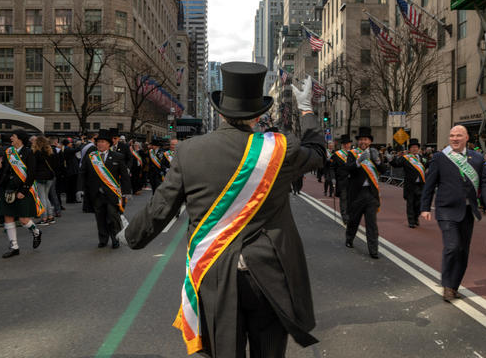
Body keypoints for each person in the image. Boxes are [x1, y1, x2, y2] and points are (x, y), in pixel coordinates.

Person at [124, 63, 325, 358]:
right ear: (258, 115)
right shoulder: (280, 149)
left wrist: (132, 235)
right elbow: (319, 152)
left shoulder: (188, 151)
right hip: (269, 271)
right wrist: (307, 110)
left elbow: (160, 208)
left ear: (219, 112)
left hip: (215, 271)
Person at [420, 125, 486, 302]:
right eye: (452, 135)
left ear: (466, 138)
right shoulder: (440, 158)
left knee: (463, 251)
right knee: (452, 246)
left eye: (458, 135)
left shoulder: (477, 158)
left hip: (468, 211)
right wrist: (425, 207)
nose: (454, 138)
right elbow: (429, 184)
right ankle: (447, 285)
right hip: (446, 209)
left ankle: (454, 286)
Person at [78, 129, 131, 249]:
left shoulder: (118, 157)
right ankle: (103, 239)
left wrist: (127, 192)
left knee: (112, 216)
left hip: (112, 193)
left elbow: (124, 176)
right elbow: (82, 173)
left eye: (103, 141)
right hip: (96, 193)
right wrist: (79, 189)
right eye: (99, 142)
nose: (100, 144)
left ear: (108, 144)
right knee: (100, 217)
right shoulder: (91, 157)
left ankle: (115, 238)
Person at [0, 129, 44, 258]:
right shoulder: (9, 152)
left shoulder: (29, 153)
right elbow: (4, 169)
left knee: (23, 219)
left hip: (22, 189)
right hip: (9, 188)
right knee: (8, 216)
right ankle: (14, 246)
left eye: (13, 136)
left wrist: (24, 190)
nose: (11, 138)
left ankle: (36, 231)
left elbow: (32, 173)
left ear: (20, 139)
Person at [344, 127, 387, 259]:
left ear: (370, 141)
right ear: (358, 141)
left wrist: (378, 161)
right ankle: (349, 238)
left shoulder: (375, 153)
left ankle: (373, 250)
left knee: (372, 223)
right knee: (354, 220)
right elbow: (348, 169)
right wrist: (358, 161)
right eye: (361, 139)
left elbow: (383, 170)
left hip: (371, 194)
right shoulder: (352, 153)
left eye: (366, 139)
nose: (363, 141)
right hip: (357, 193)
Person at [390, 138, 428, 228]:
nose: (414, 149)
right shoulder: (405, 158)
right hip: (410, 185)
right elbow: (396, 164)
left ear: (418, 148)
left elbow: (428, 167)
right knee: (410, 203)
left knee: (419, 204)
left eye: (416, 147)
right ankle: (411, 221)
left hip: (421, 185)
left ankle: (416, 217)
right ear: (409, 149)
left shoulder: (423, 158)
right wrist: (396, 157)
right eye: (412, 147)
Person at [32, 136, 57, 225]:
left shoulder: (36, 153)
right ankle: (50, 216)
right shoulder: (50, 152)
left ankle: (44, 218)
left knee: (42, 197)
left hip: (40, 177)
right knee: (46, 197)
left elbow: (34, 166)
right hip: (50, 177)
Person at [332, 134, 352, 224]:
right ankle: (345, 217)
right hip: (342, 180)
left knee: (351, 199)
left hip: (352, 181)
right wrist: (333, 178)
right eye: (346, 144)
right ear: (343, 145)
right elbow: (332, 168)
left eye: (349, 143)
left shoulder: (353, 154)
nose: (348, 145)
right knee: (343, 199)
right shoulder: (337, 155)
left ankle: (350, 215)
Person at [63, 138, 80, 203]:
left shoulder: (67, 149)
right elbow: (77, 149)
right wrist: (82, 143)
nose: (72, 144)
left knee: (72, 186)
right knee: (71, 186)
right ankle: (71, 199)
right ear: (68, 144)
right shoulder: (67, 149)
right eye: (70, 143)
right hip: (71, 171)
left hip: (71, 170)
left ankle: (72, 198)